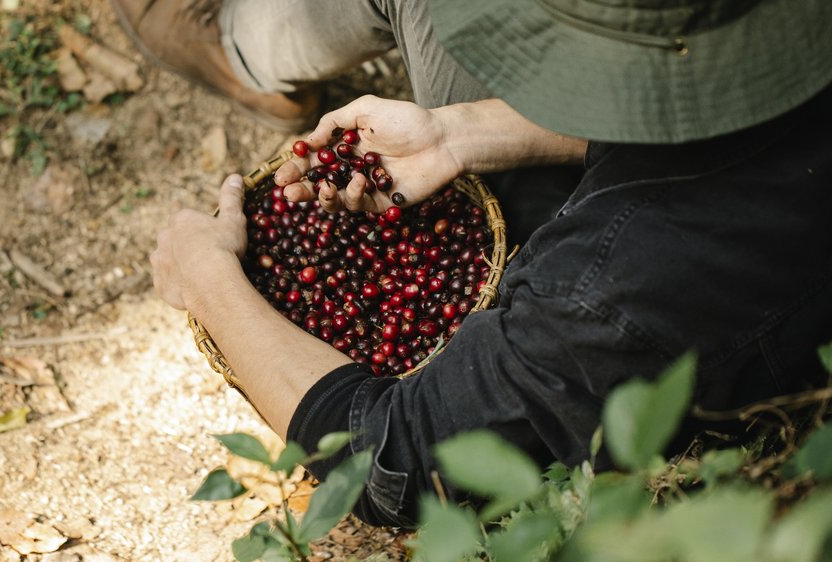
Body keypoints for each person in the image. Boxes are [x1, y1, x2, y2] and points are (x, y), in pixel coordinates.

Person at [137, 0, 832, 528]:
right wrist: (467, 131)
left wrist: (212, 285)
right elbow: (720, 102)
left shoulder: (610, 285)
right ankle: (248, 46)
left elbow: (394, 461)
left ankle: (236, 50)